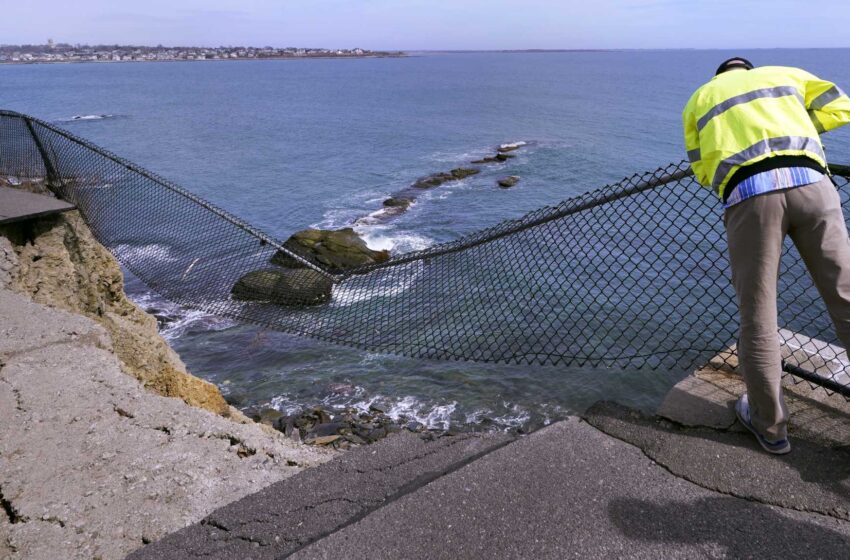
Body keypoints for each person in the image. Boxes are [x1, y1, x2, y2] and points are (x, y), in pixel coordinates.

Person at [682, 57, 850, 454]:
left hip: (750, 197)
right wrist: (799, 131)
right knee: (845, 297)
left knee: (758, 315)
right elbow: (841, 107)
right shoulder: (784, 74)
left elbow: (702, 169)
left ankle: (771, 427)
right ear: (748, 68)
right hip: (812, 184)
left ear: (720, 75)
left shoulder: (699, 99)